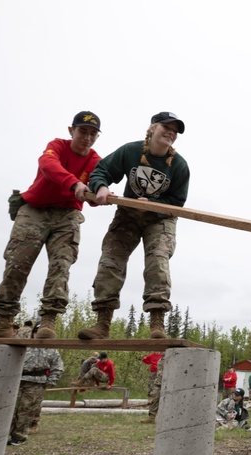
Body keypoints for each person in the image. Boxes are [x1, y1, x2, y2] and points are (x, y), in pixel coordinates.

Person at [0, 111, 103, 341]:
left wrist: (98, 195)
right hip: (35, 209)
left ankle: (48, 320)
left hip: (68, 214)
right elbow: (47, 165)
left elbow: (97, 184)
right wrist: (74, 182)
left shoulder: (95, 160)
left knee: (61, 264)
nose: (87, 138)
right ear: (71, 130)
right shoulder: (57, 146)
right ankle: (3, 321)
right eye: (82, 131)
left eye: (93, 134)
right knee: (17, 262)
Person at [78, 112, 191, 341]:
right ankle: (102, 324)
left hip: (160, 218)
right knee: (111, 260)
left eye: (175, 130)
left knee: (157, 261)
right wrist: (100, 186)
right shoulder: (130, 151)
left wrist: (153, 205)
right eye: (165, 127)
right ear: (152, 128)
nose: (170, 132)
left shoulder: (179, 166)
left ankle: (157, 323)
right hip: (128, 214)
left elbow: (177, 203)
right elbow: (101, 171)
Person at [7, 328, 65, 446]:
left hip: (37, 383)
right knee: (11, 408)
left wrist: (51, 381)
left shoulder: (52, 351)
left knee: (26, 409)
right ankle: (4, 433)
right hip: (18, 380)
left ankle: (19, 436)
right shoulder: (25, 346)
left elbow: (58, 367)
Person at [141, 351, 163, 424]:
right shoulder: (156, 357)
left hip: (166, 379)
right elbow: (145, 359)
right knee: (155, 395)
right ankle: (151, 417)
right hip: (157, 379)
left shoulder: (169, 357)